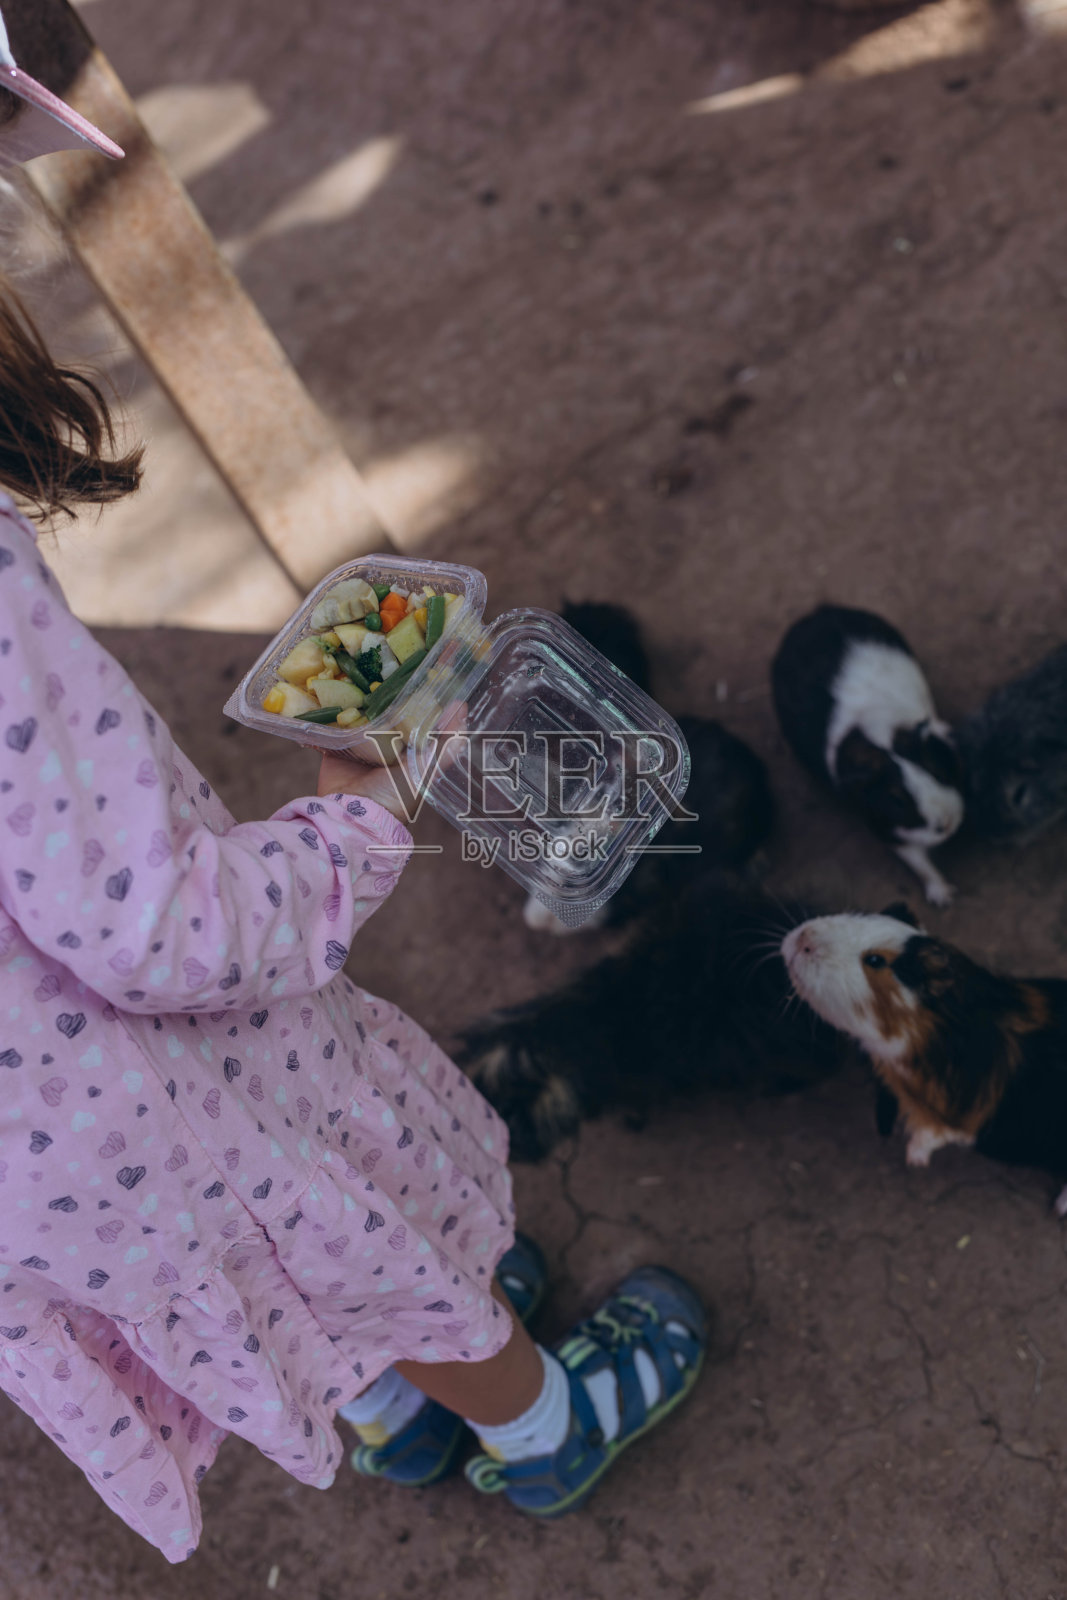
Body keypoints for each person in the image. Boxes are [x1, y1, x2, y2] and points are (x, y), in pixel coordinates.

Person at [0, 44, 706, 1567]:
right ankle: (541, 1427)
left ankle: (387, 1413)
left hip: (36, 1169)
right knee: (340, 1232)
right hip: (135, 1087)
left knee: (262, 1268)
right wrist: (351, 817)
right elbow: (149, 924)